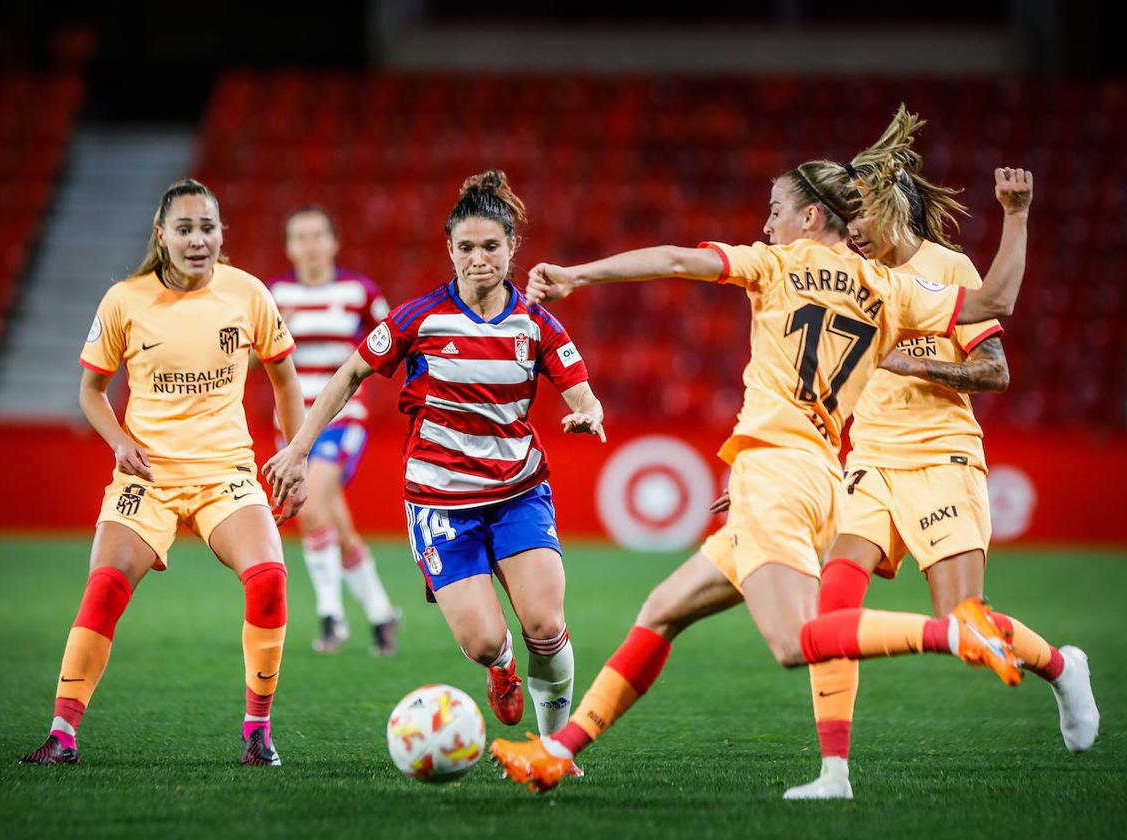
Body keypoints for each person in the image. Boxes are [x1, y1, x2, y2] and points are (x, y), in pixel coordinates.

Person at [489, 157, 1035, 794]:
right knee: (663, 609)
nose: (765, 224)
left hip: (779, 472)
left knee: (795, 641)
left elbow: (672, 260)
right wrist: (1017, 216)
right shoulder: (890, 286)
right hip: (814, 473)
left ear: (809, 216)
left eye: (775, 210)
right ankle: (558, 750)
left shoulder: (774, 264)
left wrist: (578, 275)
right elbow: (997, 299)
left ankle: (949, 632)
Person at [784, 108, 1098, 800]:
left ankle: (1061, 667)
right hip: (868, 464)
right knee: (830, 609)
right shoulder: (848, 277)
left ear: (885, 210)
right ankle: (833, 773)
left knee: (966, 626)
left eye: (856, 216)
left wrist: (920, 367)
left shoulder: (944, 269)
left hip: (940, 460)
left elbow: (995, 371)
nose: (848, 230)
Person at [264, 170, 606, 737]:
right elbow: (350, 373)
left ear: (512, 248)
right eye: (466, 247)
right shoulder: (417, 318)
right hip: (441, 500)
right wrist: (300, 448)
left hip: (518, 492)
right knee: (485, 640)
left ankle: (555, 750)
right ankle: (499, 669)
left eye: (491, 246)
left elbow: (583, 393)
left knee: (545, 625)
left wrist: (589, 413)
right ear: (449, 249)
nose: (479, 259)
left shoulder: (537, 324)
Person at [20, 179, 306, 767]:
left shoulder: (247, 294)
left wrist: (295, 452)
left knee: (270, 578)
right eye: (185, 229)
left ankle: (257, 731)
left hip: (225, 470)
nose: (198, 240)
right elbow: (91, 391)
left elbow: (284, 378)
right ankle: (61, 734)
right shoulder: (124, 300)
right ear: (162, 235)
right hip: (147, 476)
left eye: (208, 227)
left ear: (221, 234)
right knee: (104, 587)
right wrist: (119, 442)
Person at [268, 207, 401, 655]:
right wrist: (276, 332)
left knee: (310, 503)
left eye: (317, 235)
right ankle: (382, 613)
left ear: (333, 242)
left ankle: (331, 615)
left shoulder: (359, 292)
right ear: (288, 247)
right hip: (290, 422)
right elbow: (249, 360)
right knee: (332, 520)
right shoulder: (274, 294)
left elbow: (392, 342)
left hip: (342, 417)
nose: (309, 244)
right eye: (299, 237)